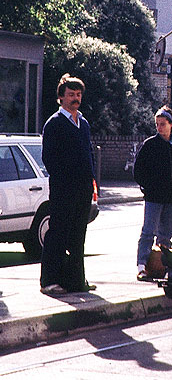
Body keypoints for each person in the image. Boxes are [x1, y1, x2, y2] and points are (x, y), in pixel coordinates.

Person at [40, 73, 96, 296]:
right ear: (61, 97)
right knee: (58, 234)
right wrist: (66, 182)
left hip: (84, 190)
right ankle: (49, 281)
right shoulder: (54, 123)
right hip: (64, 190)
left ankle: (76, 280)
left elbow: (89, 154)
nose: (75, 98)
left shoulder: (83, 123)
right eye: (71, 94)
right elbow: (49, 158)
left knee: (78, 236)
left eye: (78, 94)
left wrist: (92, 181)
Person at [133, 106, 172, 281]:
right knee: (148, 232)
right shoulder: (150, 145)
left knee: (166, 234)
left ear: (171, 125)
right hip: (154, 197)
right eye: (157, 124)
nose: (159, 127)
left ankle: (163, 266)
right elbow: (138, 170)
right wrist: (148, 187)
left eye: (163, 124)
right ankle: (142, 266)